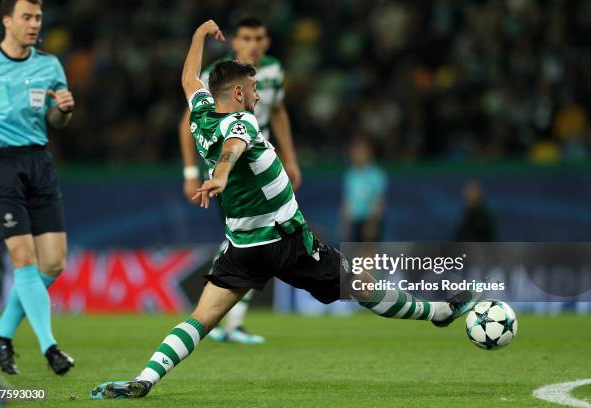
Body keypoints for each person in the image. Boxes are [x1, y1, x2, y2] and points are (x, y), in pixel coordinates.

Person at [90, 20, 478, 399]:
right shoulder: (240, 121)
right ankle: (437, 312)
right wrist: (221, 177)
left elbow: (188, 79)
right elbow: (232, 150)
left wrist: (197, 36)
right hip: (284, 238)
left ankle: (144, 378)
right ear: (239, 94)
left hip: (242, 246)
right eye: (255, 90)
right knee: (361, 284)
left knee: (201, 318)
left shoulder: (202, 113)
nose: (259, 97)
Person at [178, 16, 301, 345]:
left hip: (258, 162)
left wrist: (289, 159)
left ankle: (222, 320)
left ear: (267, 41)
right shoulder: (218, 75)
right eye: (246, 38)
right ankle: (222, 319)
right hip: (234, 170)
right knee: (244, 238)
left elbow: (278, 112)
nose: (254, 45)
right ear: (235, 42)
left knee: (242, 237)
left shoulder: (273, 72)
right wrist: (197, 173)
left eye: (259, 38)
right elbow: (193, 122)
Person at [0, 0, 74, 375]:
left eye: (38, 18)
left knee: (53, 263)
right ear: (7, 21)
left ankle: (0, 334)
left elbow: (58, 122)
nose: (34, 24)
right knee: (25, 260)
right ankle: (50, 346)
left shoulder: (50, 66)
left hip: (39, 162)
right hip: (0, 165)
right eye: (27, 17)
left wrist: (63, 110)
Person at [342, 137, 388, 242]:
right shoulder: (350, 175)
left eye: (359, 151)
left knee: (369, 256)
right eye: (353, 151)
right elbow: (347, 201)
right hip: (354, 222)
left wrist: (372, 224)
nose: (355, 154)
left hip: (370, 221)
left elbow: (379, 201)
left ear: (368, 153)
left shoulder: (376, 174)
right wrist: (345, 223)